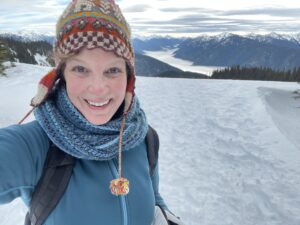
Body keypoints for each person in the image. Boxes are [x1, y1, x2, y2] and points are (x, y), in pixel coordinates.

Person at [0, 0, 184, 225]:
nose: (98, 88)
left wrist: (163, 214)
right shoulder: (33, 146)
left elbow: (153, 196)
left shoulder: (144, 137)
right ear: (62, 74)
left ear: (129, 77)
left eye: (113, 70)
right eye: (80, 69)